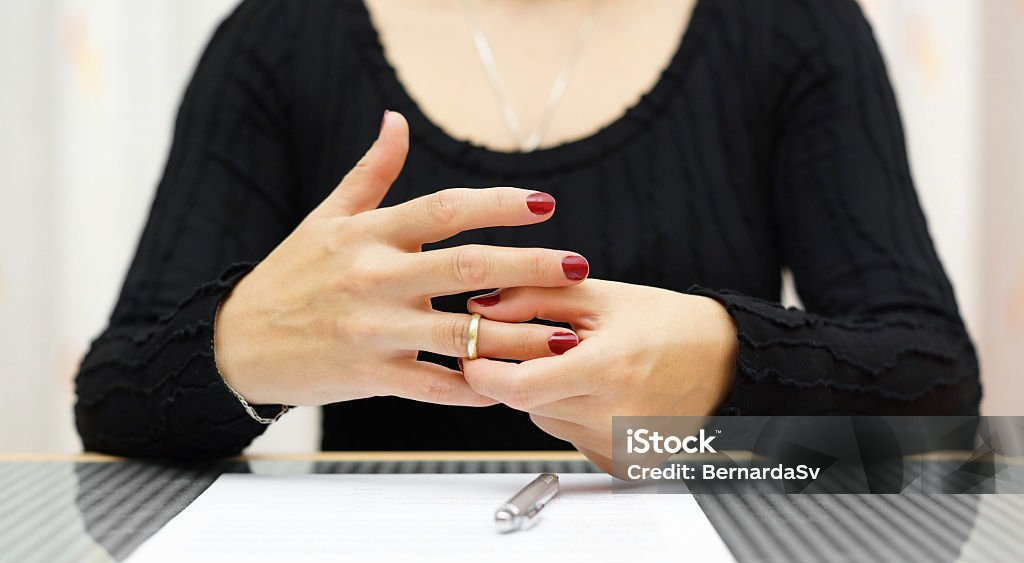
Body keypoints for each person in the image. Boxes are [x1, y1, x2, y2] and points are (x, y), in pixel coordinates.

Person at [74, 0, 981, 464]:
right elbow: (114, 398)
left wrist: (724, 363)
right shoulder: (277, 40)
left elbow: (936, 388)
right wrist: (242, 344)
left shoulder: (793, 27)